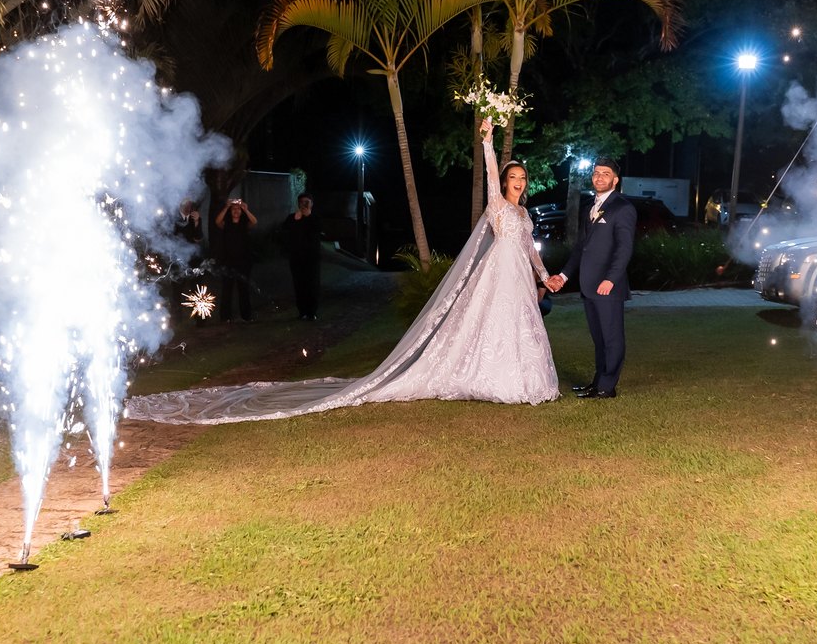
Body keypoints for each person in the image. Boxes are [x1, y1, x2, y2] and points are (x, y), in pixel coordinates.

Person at [126, 118, 559, 424]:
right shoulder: (498, 207)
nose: (519, 182)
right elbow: (489, 175)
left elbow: (530, 252)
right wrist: (488, 142)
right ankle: (495, 380)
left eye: (523, 178)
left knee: (520, 325)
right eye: (514, 177)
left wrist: (546, 277)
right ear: (506, 182)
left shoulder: (524, 216)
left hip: (518, 278)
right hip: (497, 278)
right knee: (495, 325)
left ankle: (526, 381)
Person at [545, 158, 636, 398]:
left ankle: (607, 387)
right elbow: (580, 248)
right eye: (596, 173)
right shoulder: (590, 208)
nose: (599, 177)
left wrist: (611, 279)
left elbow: (624, 249)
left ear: (615, 180)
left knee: (612, 338)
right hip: (589, 285)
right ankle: (598, 382)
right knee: (599, 338)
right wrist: (563, 275)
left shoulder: (623, 208)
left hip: (608, 286)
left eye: (605, 174)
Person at [214, 199, 257, 322]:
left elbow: (254, 222)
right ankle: (225, 316)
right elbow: (217, 221)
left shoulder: (245, 224)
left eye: (238, 209)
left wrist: (246, 210)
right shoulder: (226, 224)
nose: (236, 211)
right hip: (228, 261)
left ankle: (246, 316)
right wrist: (226, 207)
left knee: (243, 288)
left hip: (243, 261)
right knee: (227, 289)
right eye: (234, 209)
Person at [283, 194, 322, 320]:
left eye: (307, 202)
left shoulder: (315, 217)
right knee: (299, 285)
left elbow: (319, 228)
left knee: (312, 284)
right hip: (297, 257)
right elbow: (285, 229)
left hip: (312, 257)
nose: (304, 205)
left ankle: (312, 312)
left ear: (311, 204)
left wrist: (309, 216)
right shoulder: (292, 217)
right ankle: (302, 311)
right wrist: (296, 219)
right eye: (302, 202)